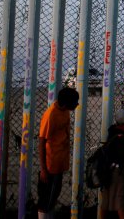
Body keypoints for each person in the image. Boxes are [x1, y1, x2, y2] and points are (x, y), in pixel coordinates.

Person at [37, 87, 79, 219]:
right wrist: (43, 169)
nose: (77, 105)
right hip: (51, 165)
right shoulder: (51, 115)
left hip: (59, 162)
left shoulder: (64, 111)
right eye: (75, 102)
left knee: (53, 195)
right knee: (46, 198)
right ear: (66, 103)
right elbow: (42, 141)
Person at [100, 109, 124, 219]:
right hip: (118, 172)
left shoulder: (111, 134)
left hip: (107, 171)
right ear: (123, 124)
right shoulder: (122, 139)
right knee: (121, 201)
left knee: (106, 201)